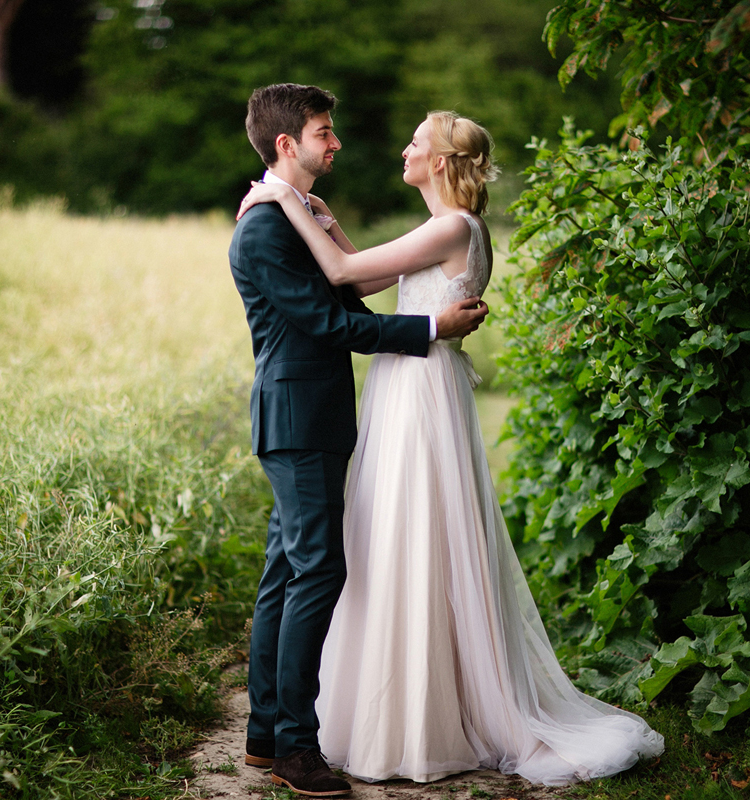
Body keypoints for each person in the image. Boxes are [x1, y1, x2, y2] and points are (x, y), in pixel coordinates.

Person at [236, 110, 665, 786]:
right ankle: (339, 716)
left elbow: (344, 272)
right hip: (414, 384)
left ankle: (414, 708)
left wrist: (288, 199)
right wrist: (319, 215)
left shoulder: (452, 226)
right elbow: (363, 278)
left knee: (411, 536)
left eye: (414, 143)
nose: (401, 149)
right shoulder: (450, 228)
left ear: (439, 162)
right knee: (392, 539)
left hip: (420, 390)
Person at [228, 84, 489, 798]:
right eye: (323, 131)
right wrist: (433, 329)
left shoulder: (296, 217)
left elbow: (348, 291)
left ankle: (264, 736)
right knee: (317, 572)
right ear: (289, 143)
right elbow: (336, 326)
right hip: (297, 419)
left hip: (316, 419)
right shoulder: (264, 229)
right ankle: (294, 748)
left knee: (289, 570)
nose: (335, 141)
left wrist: (319, 217)